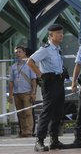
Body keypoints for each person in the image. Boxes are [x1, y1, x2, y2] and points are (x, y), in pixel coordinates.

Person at [27, 24, 65, 152]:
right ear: (51, 35)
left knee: (58, 112)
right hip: (50, 84)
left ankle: (54, 139)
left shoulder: (57, 49)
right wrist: (40, 75)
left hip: (59, 82)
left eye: (61, 33)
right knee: (47, 112)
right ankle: (39, 141)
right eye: (58, 33)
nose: (61, 35)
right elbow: (30, 61)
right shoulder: (46, 49)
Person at [9, 46, 37, 138]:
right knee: (20, 114)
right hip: (17, 94)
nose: (18, 54)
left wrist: (33, 92)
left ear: (24, 53)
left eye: (20, 52)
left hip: (27, 93)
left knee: (28, 113)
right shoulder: (13, 67)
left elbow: (33, 80)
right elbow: (11, 81)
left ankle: (29, 131)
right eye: (16, 52)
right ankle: (23, 131)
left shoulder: (29, 65)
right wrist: (10, 94)